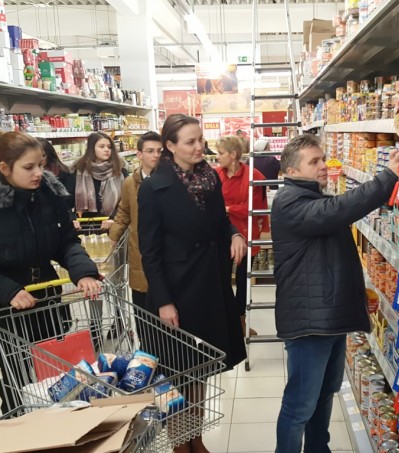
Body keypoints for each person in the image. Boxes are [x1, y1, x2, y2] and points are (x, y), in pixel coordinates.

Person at [0, 131, 101, 415]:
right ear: (5, 168)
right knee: (17, 393)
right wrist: (9, 291)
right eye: (29, 167)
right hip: (2, 316)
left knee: (57, 386)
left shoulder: (48, 197)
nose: (38, 173)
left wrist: (83, 272)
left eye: (40, 165)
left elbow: (66, 242)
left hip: (45, 305)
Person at [271, 134, 399, 453]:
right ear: (291, 171)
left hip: (328, 316)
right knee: (300, 404)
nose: (323, 165)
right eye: (314, 162)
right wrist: (387, 178)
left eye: (323, 158)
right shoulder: (289, 202)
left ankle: (319, 448)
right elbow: (339, 209)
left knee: (324, 393)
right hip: (309, 322)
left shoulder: (311, 197)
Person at [138, 114, 247, 453]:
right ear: (170, 146)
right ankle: (178, 443)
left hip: (209, 285)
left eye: (200, 139)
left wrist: (234, 234)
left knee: (200, 371)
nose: (199, 146)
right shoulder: (153, 188)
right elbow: (150, 252)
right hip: (177, 291)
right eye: (190, 141)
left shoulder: (209, 178)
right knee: (174, 373)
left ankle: (195, 437)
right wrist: (163, 301)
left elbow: (219, 222)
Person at [215, 135, 268, 337]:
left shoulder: (254, 176)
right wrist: (231, 209)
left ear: (233, 155)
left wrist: (228, 208)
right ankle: (226, 321)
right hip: (222, 236)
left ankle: (241, 320)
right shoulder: (215, 175)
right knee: (222, 279)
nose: (217, 157)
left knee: (244, 281)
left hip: (246, 235)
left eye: (221, 153)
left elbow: (254, 208)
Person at [109, 131, 161, 317]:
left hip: (165, 250)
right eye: (150, 151)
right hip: (139, 250)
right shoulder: (130, 183)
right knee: (143, 312)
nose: (156, 155)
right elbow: (124, 212)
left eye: (159, 151)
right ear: (139, 154)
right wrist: (113, 237)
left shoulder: (170, 180)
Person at [64, 131, 128, 230]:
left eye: (109, 147)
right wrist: (72, 218)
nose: (106, 150)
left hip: (114, 225)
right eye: (101, 146)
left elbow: (126, 200)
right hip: (85, 227)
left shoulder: (120, 171)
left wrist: (113, 218)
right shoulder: (78, 171)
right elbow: (67, 200)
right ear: (91, 148)